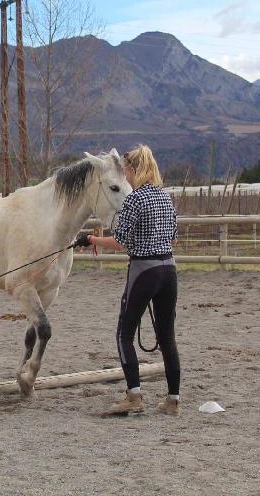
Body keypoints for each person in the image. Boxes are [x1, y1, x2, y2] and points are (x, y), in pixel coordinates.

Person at [75, 144, 180, 416]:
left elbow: (120, 241)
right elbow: (173, 238)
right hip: (169, 269)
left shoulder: (135, 199)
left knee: (124, 334)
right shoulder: (165, 198)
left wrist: (91, 239)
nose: (126, 177)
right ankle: (173, 400)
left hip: (144, 270)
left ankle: (134, 396)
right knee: (167, 337)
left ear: (134, 169)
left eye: (127, 172)